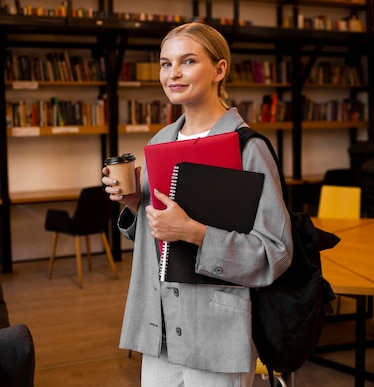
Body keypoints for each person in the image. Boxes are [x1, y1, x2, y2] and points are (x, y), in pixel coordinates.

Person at [102, 21, 293, 387]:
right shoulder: (161, 140)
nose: (173, 74)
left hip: (216, 333)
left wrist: (197, 234)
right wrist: (133, 204)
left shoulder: (247, 149)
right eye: (165, 63)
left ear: (220, 69)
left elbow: (276, 252)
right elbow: (158, 242)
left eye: (188, 61)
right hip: (157, 329)